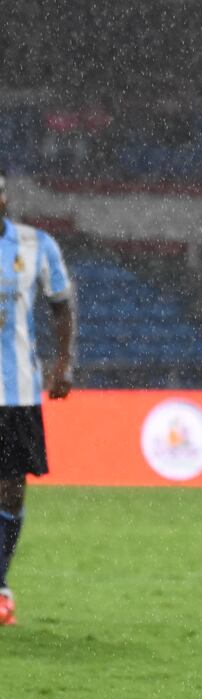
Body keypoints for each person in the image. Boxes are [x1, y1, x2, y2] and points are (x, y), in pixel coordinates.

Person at [0, 168, 76, 627]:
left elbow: (60, 302)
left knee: (10, 489)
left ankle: (0, 583)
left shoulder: (35, 245)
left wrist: (63, 361)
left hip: (16, 393)